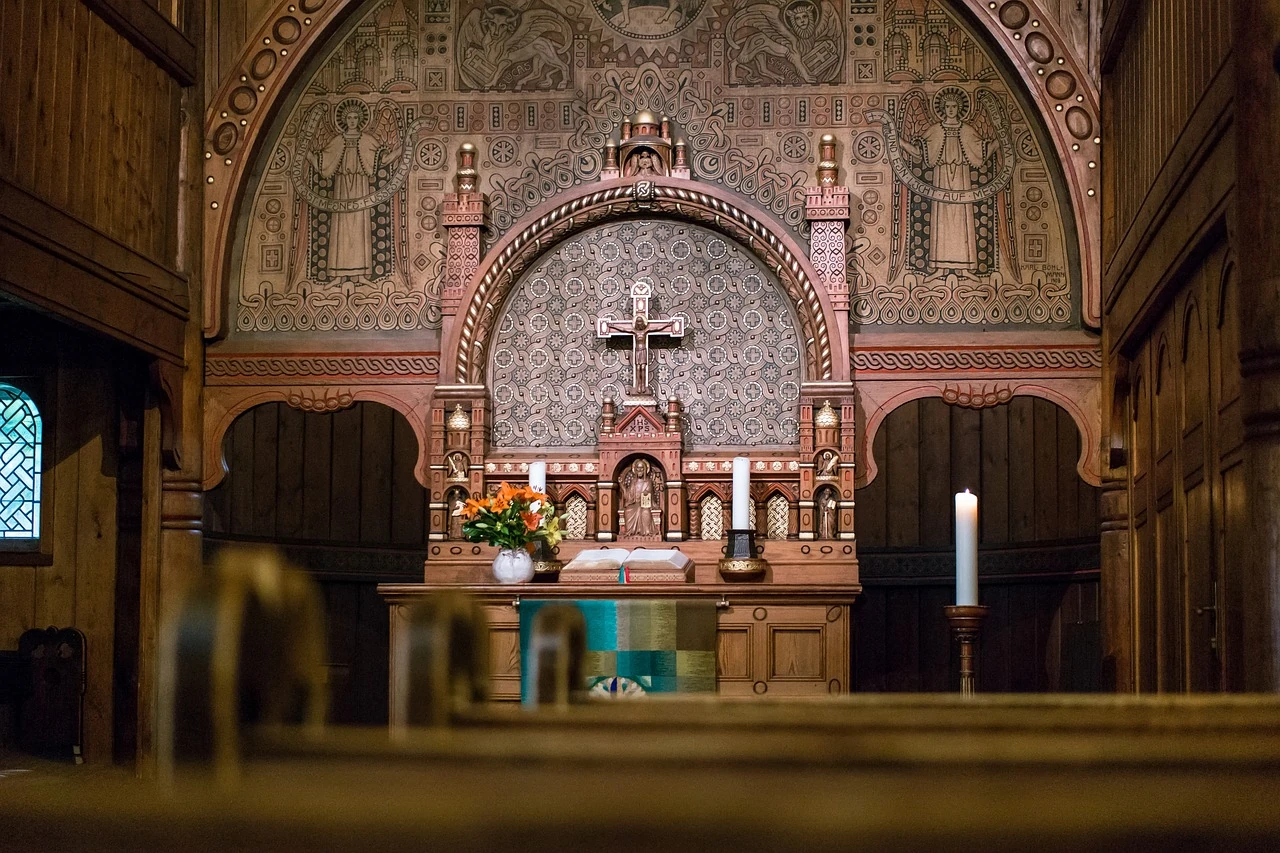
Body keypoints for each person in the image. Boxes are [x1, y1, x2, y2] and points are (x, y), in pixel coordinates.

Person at [899, 92, 992, 280]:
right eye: (948, 107)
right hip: (940, 178)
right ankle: (939, 268)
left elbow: (980, 153)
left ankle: (966, 268)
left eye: (954, 107)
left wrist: (1000, 142)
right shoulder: (936, 130)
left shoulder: (966, 130)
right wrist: (898, 141)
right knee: (941, 220)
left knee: (962, 219)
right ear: (943, 109)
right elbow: (919, 153)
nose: (951, 110)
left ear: (959, 109)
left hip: (961, 179)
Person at [308, 101, 385, 282]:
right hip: (341, 188)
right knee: (340, 229)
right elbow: (323, 164)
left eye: (355, 117)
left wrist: (403, 150)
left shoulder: (367, 140)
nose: (352, 121)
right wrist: (308, 155)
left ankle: (361, 275)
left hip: (360, 187)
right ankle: (337, 276)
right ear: (344, 120)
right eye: (349, 118)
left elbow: (381, 160)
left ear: (360, 120)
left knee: (360, 228)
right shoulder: (338, 141)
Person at [621, 458, 660, 538]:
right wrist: (622, 486)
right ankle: (630, 532)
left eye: (642, 468)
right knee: (628, 511)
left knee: (644, 511)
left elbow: (650, 495)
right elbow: (629, 496)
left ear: (645, 469)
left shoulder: (648, 481)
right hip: (634, 504)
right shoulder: (633, 482)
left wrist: (646, 493)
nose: (640, 470)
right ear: (635, 469)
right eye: (638, 468)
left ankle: (646, 532)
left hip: (645, 504)